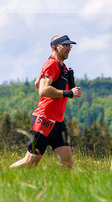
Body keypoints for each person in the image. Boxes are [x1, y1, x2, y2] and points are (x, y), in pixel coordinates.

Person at [10, 34, 83, 169]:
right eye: (65, 45)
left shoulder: (60, 66)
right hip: (44, 119)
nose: (69, 49)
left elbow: (38, 83)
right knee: (30, 162)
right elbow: (42, 90)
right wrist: (68, 93)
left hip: (58, 122)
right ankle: (4, 175)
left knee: (67, 163)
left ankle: (65, 190)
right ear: (54, 48)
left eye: (69, 46)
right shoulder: (51, 64)